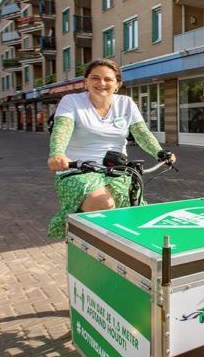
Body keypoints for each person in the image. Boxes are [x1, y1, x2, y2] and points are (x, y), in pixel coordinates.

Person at [46, 59, 176, 239]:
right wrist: (57, 153)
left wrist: (159, 152)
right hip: (77, 169)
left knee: (133, 209)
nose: (101, 83)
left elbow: (141, 132)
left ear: (117, 84)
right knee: (103, 204)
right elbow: (62, 129)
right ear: (86, 82)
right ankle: (86, 246)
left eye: (108, 79)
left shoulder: (126, 103)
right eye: (95, 78)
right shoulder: (71, 101)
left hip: (116, 169)